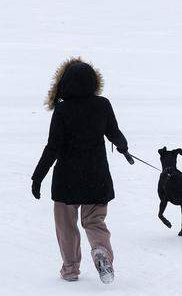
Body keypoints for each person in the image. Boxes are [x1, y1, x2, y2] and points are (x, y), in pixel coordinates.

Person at [31, 57, 134, 283]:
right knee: (95, 221)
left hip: (67, 178)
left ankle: (70, 269)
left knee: (66, 225)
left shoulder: (63, 109)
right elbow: (114, 132)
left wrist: (37, 177)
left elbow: (53, 147)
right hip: (97, 176)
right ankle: (101, 253)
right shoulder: (103, 104)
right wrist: (124, 148)